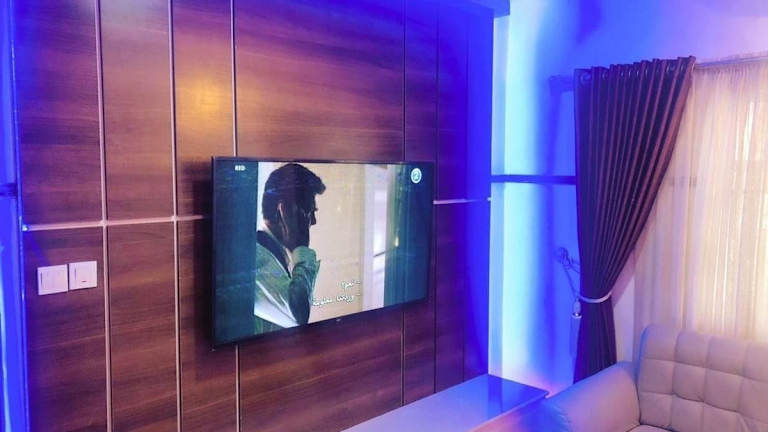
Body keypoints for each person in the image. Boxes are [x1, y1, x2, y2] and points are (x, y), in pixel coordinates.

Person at [252, 163, 325, 332]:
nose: (313, 221)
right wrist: (300, 245)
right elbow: (297, 315)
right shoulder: (255, 255)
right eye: (309, 211)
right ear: (284, 211)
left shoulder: (273, 253)